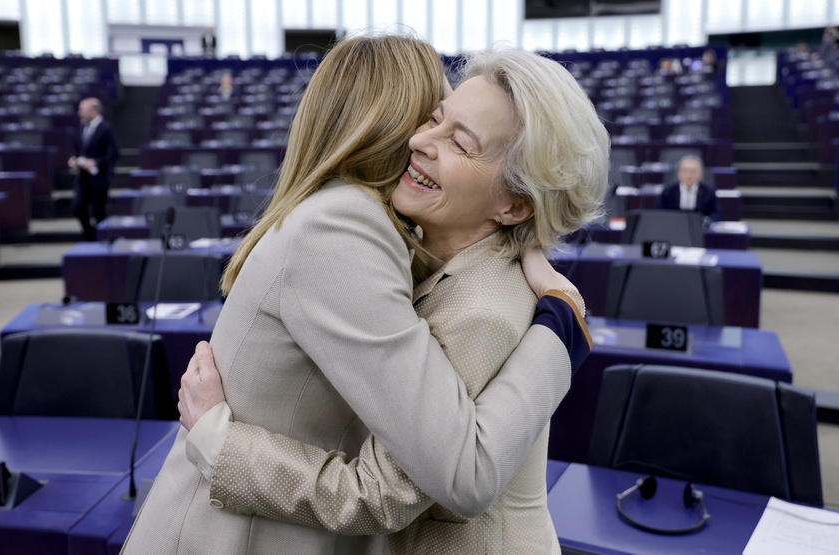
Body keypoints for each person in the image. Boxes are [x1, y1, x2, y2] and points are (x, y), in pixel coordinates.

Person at [122, 35, 590, 555]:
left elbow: (452, 478)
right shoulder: (358, 231)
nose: (420, 140)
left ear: (515, 205)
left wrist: (565, 326)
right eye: (433, 118)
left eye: (461, 142)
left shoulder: (479, 301)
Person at [67, 97, 119, 241]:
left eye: (82, 110)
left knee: (98, 210)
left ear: (93, 110)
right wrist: (73, 158)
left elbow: (113, 153)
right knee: (78, 207)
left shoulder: (106, 128)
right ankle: (90, 235)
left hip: (100, 177)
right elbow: (78, 149)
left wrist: (95, 162)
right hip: (83, 177)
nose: (79, 113)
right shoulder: (82, 127)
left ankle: (102, 239)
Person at [656, 155, 718, 222]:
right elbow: (658, 213)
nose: (689, 175)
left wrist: (708, 220)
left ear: (701, 174)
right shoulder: (668, 192)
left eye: (693, 171)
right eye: (685, 171)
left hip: (699, 227)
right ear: (679, 174)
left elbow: (716, 214)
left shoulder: (708, 192)